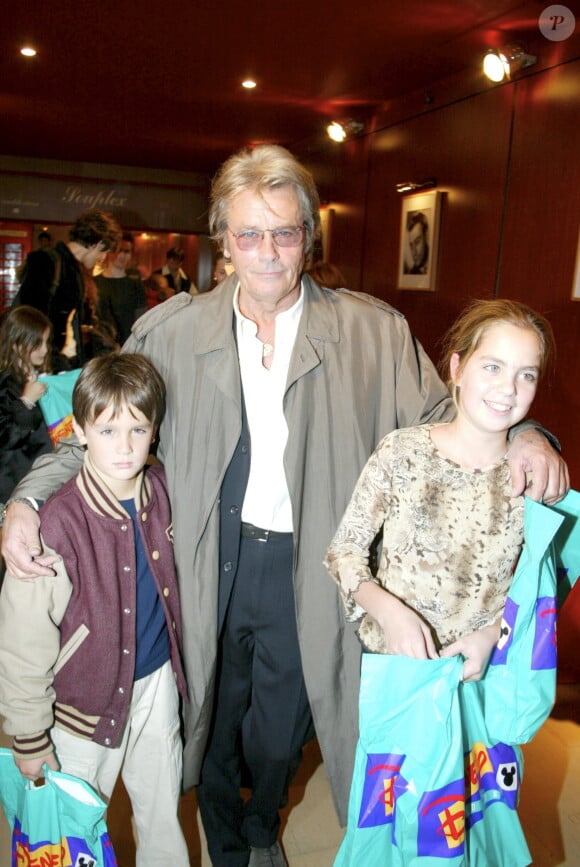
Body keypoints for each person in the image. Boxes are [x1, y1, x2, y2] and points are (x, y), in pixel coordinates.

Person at [0, 145, 568, 867]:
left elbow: (451, 415)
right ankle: (235, 845)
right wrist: (25, 500)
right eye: (248, 233)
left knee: (280, 728)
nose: (267, 252)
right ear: (223, 241)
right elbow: (95, 435)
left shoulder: (373, 333)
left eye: (285, 232)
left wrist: (529, 433)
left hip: (309, 567)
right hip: (198, 562)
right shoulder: (172, 332)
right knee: (206, 714)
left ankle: (263, 821)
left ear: (308, 236)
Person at [324, 298, 555, 863]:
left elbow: (537, 590)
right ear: (454, 368)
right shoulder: (403, 452)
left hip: (482, 684)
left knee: (472, 829)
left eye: (526, 374)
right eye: (492, 366)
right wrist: (387, 608)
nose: (508, 387)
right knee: (399, 826)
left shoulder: (528, 479)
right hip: (402, 680)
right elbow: (344, 552)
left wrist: (490, 635)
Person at [0, 352, 190, 867]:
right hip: (78, 712)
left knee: (162, 818)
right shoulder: (57, 523)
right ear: (79, 431)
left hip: (154, 691)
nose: (124, 447)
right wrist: (30, 735)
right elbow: (21, 641)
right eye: (107, 431)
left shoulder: (165, 492)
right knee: (75, 834)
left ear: (155, 431)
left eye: (138, 429)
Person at [15, 209, 121, 363]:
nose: (102, 259)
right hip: (44, 361)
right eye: (105, 252)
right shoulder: (47, 261)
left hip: (61, 360)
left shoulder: (75, 269)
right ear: (98, 244)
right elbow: (29, 317)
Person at [95, 232, 147, 344]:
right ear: (109, 252)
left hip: (128, 346)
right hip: (99, 346)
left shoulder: (136, 285)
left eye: (127, 251)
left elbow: (141, 321)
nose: (122, 256)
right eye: (119, 250)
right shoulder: (95, 283)